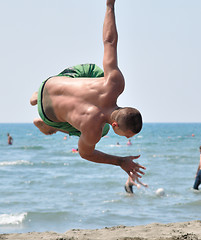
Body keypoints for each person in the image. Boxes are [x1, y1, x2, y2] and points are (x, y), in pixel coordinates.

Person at [29, 0, 145, 178]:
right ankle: (47, 125)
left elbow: (109, 42)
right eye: (125, 135)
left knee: (100, 74)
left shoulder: (115, 83)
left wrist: (110, 6)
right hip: (47, 112)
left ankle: (38, 94)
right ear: (115, 125)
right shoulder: (95, 130)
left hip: (51, 83)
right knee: (96, 132)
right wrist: (121, 161)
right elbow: (86, 154)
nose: (127, 139)